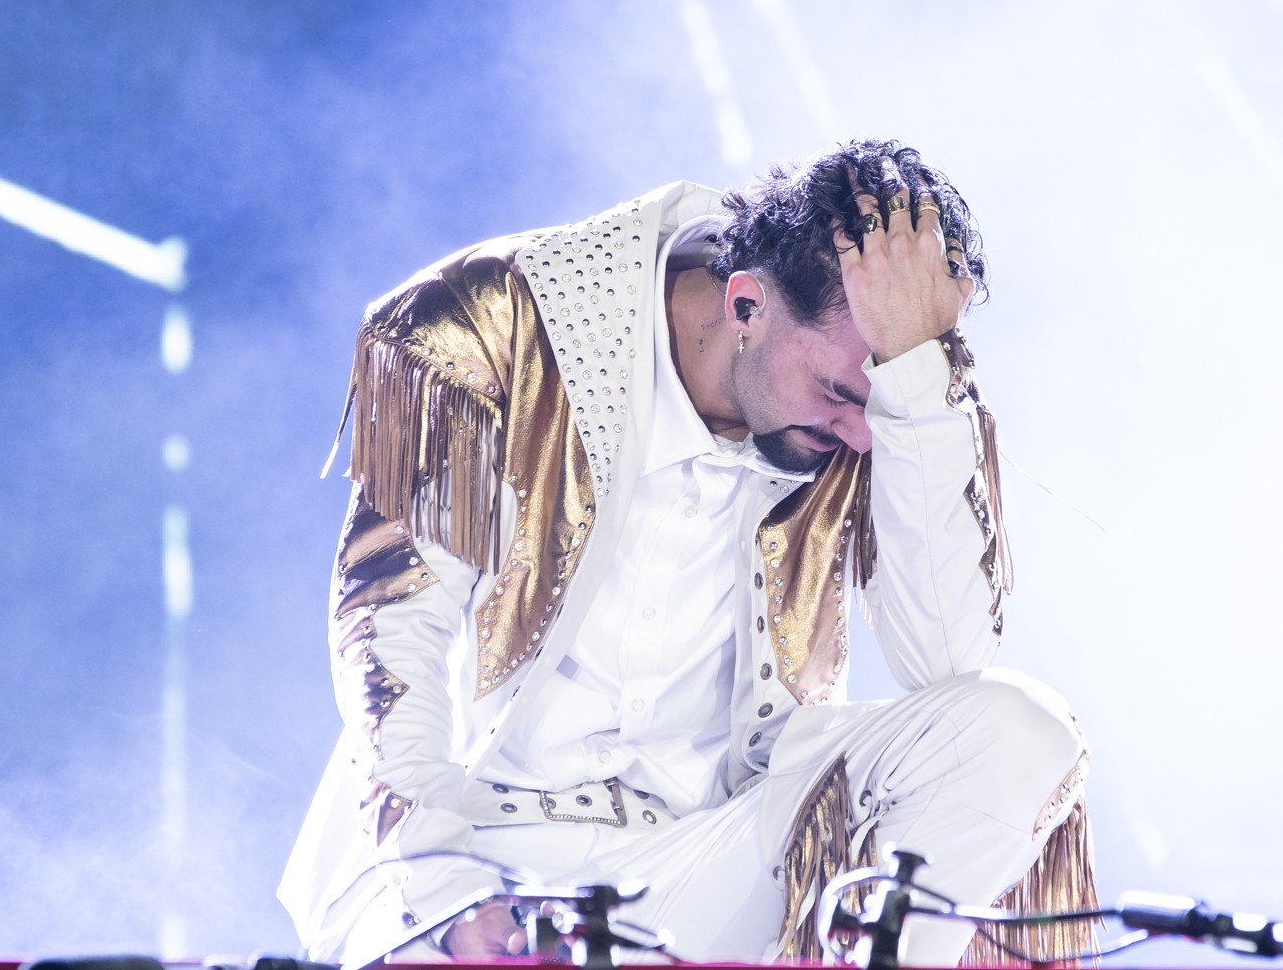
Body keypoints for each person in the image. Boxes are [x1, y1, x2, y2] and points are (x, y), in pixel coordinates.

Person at [279, 140, 1094, 968]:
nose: (859, 433)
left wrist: (915, 385)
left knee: (1017, 730)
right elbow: (392, 635)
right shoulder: (504, 322)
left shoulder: (878, 414)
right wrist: (444, 889)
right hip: (473, 853)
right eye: (843, 394)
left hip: (704, 866)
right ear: (746, 306)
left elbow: (949, 666)